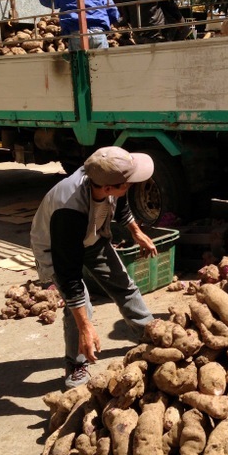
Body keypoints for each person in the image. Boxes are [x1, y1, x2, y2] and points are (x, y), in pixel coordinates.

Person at [30, 146, 157, 388]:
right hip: (56, 247)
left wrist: (137, 232)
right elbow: (69, 277)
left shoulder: (104, 176)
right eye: (127, 185)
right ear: (108, 188)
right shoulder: (68, 210)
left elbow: (120, 204)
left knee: (124, 285)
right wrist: (86, 327)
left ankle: (150, 333)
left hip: (92, 235)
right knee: (80, 306)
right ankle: (76, 363)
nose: (130, 187)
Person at [39, 0, 119, 50]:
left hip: (76, 33)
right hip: (98, 33)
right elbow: (111, 7)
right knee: (101, 61)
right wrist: (110, 22)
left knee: (79, 62)